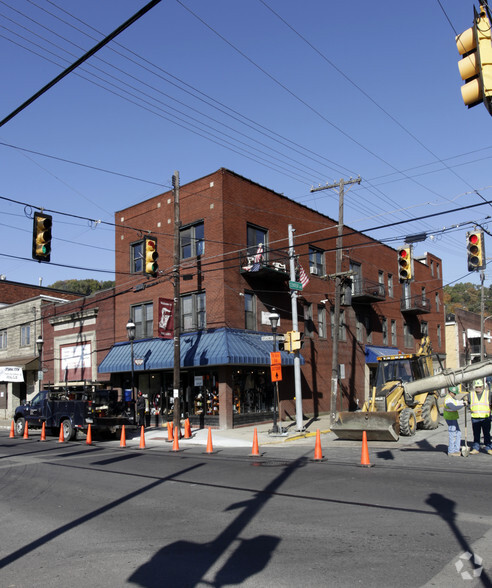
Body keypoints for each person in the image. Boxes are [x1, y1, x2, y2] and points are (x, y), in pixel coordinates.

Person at [468, 379, 492, 455]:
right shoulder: (470, 394)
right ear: (475, 387)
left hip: (485, 418)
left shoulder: (488, 394)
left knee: (486, 434)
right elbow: (467, 402)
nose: (478, 388)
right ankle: (476, 448)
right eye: (477, 387)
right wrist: (465, 403)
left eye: (480, 386)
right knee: (476, 434)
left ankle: (488, 447)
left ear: (482, 386)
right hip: (475, 418)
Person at [443, 385, 467, 457]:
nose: (455, 394)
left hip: (453, 418)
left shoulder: (451, 398)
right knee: (452, 434)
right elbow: (454, 407)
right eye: (454, 393)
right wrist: (463, 405)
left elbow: (457, 402)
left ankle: (456, 450)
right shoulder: (448, 399)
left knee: (458, 433)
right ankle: (451, 451)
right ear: (450, 392)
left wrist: (463, 401)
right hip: (450, 418)